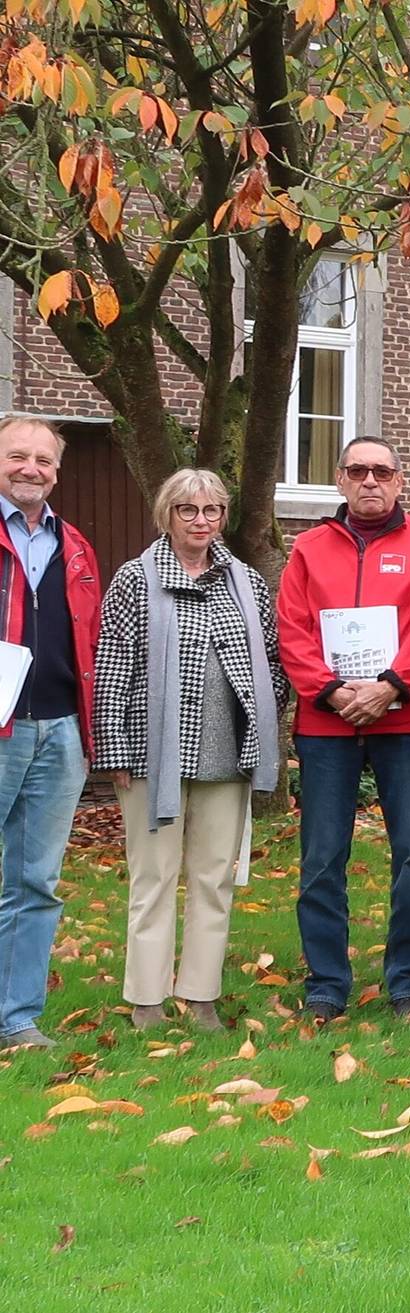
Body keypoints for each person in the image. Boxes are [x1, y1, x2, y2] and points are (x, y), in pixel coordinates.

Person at [94, 469, 289, 1031]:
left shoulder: (246, 581)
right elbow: (112, 665)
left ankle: (201, 997)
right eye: (188, 510)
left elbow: (273, 662)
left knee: (214, 878)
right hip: (152, 756)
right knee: (153, 878)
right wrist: (115, 750)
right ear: (167, 514)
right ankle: (147, 1001)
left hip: (228, 756)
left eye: (212, 511)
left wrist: (261, 708)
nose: (201, 521)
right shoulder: (135, 578)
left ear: (223, 516)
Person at [277, 437, 410, 1022]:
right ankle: (326, 983)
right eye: (358, 471)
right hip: (327, 724)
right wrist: (331, 690)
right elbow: (293, 630)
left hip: (404, 718)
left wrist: (393, 685)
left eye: (382, 471)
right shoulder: (308, 548)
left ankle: (407, 982)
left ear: (401, 481)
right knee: (322, 856)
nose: (370, 480)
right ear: (340, 479)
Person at [0, 418, 100, 1050]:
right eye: (17, 456)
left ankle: (16, 1018)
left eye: (43, 460)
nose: (30, 468)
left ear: (57, 471)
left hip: (60, 730)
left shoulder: (77, 546)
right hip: (1, 727)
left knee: (36, 880)